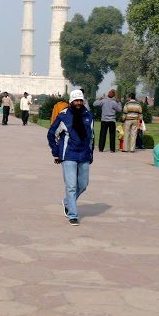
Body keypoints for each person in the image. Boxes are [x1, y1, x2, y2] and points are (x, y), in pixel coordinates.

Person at [47, 89, 94, 226]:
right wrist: (56, 152)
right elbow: (51, 134)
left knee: (83, 184)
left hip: (84, 154)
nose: (78, 103)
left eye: (80, 100)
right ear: (71, 102)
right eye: (76, 101)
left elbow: (91, 137)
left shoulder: (88, 115)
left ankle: (67, 201)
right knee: (71, 186)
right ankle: (73, 214)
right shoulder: (64, 116)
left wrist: (91, 153)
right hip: (68, 155)